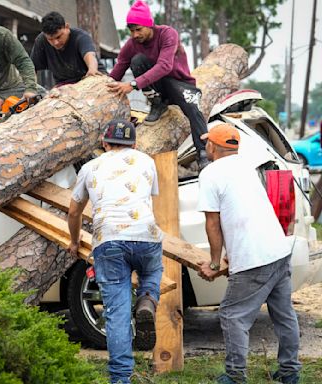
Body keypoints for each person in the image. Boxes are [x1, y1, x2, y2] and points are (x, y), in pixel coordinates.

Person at [196, 123, 301, 384]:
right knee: (284, 315)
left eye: (207, 142)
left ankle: (235, 375)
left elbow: (213, 223)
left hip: (255, 259)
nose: (206, 146)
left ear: (214, 146)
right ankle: (290, 371)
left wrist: (214, 261)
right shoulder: (247, 166)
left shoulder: (210, 173)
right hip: (278, 249)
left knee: (232, 314)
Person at [67, 119, 163, 384]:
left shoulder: (90, 167)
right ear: (134, 143)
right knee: (153, 270)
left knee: (117, 312)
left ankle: (121, 378)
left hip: (109, 240)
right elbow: (149, 197)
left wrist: (74, 242)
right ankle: (147, 299)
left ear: (104, 142)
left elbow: (74, 211)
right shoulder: (147, 161)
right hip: (146, 234)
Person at [106, 0, 209, 169]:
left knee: (194, 110)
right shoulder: (132, 45)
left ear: (150, 25)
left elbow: (164, 66)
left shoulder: (168, 34)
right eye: (131, 31)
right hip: (159, 89)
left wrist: (132, 84)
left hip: (180, 83)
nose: (134, 35)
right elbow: (117, 71)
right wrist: (102, 85)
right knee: (137, 60)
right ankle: (157, 104)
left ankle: (203, 153)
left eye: (138, 29)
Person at [30, 11, 105, 87]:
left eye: (58, 37)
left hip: (92, 78)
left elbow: (89, 55)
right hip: (64, 85)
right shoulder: (41, 40)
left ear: (67, 27)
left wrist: (92, 69)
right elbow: (31, 68)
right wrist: (31, 88)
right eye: (50, 39)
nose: (55, 43)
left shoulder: (81, 36)